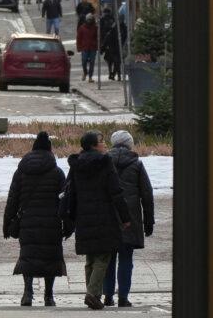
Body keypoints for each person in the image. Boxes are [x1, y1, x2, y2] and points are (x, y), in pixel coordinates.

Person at [61, 131, 131, 310]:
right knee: (103, 255)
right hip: (104, 215)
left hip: (84, 216)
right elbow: (115, 191)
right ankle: (92, 294)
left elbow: (71, 191)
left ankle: (94, 294)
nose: (105, 144)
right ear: (93, 145)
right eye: (101, 141)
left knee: (90, 256)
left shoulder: (76, 164)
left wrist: (72, 216)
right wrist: (125, 217)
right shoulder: (105, 162)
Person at [4, 131, 66, 307]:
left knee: (28, 256)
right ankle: (49, 296)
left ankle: (27, 294)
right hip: (51, 222)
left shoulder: (21, 172)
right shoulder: (57, 172)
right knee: (51, 257)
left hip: (27, 222)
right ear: (50, 150)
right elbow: (65, 199)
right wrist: (68, 224)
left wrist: (7, 223)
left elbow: (12, 199)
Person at [103, 131, 154, 308]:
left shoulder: (103, 162)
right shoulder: (136, 164)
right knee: (126, 258)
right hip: (130, 218)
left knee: (108, 258)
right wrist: (149, 221)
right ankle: (123, 297)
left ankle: (107, 296)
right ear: (129, 144)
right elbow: (147, 194)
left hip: (108, 216)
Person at [100, 8, 121, 81]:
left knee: (111, 61)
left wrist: (102, 46)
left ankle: (113, 74)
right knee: (115, 61)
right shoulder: (112, 19)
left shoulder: (103, 20)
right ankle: (114, 74)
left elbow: (100, 32)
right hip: (113, 44)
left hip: (109, 44)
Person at [76, 14, 98, 81]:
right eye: (88, 19)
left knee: (92, 62)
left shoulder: (95, 28)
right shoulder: (82, 28)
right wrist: (78, 47)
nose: (89, 21)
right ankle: (85, 72)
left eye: (90, 19)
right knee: (84, 61)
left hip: (93, 48)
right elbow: (78, 38)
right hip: (84, 47)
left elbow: (98, 37)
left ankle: (90, 77)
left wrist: (97, 45)